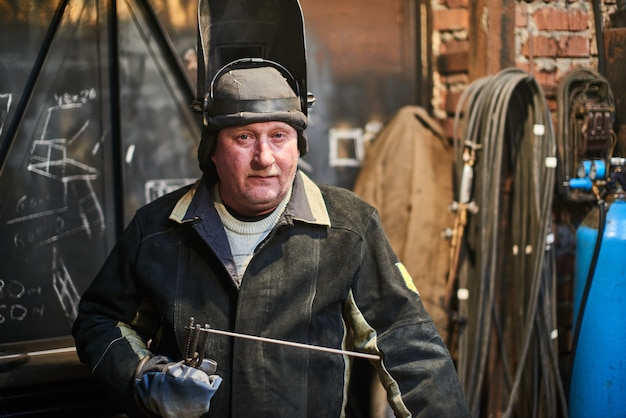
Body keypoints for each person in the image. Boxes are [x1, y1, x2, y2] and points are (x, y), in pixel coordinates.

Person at [72, 60, 471, 417]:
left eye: (279, 136)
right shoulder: (158, 229)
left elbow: (408, 342)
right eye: (244, 137)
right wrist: (142, 376)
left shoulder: (348, 227)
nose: (265, 157)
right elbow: (100, 320)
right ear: (212, 150)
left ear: (298, 145)